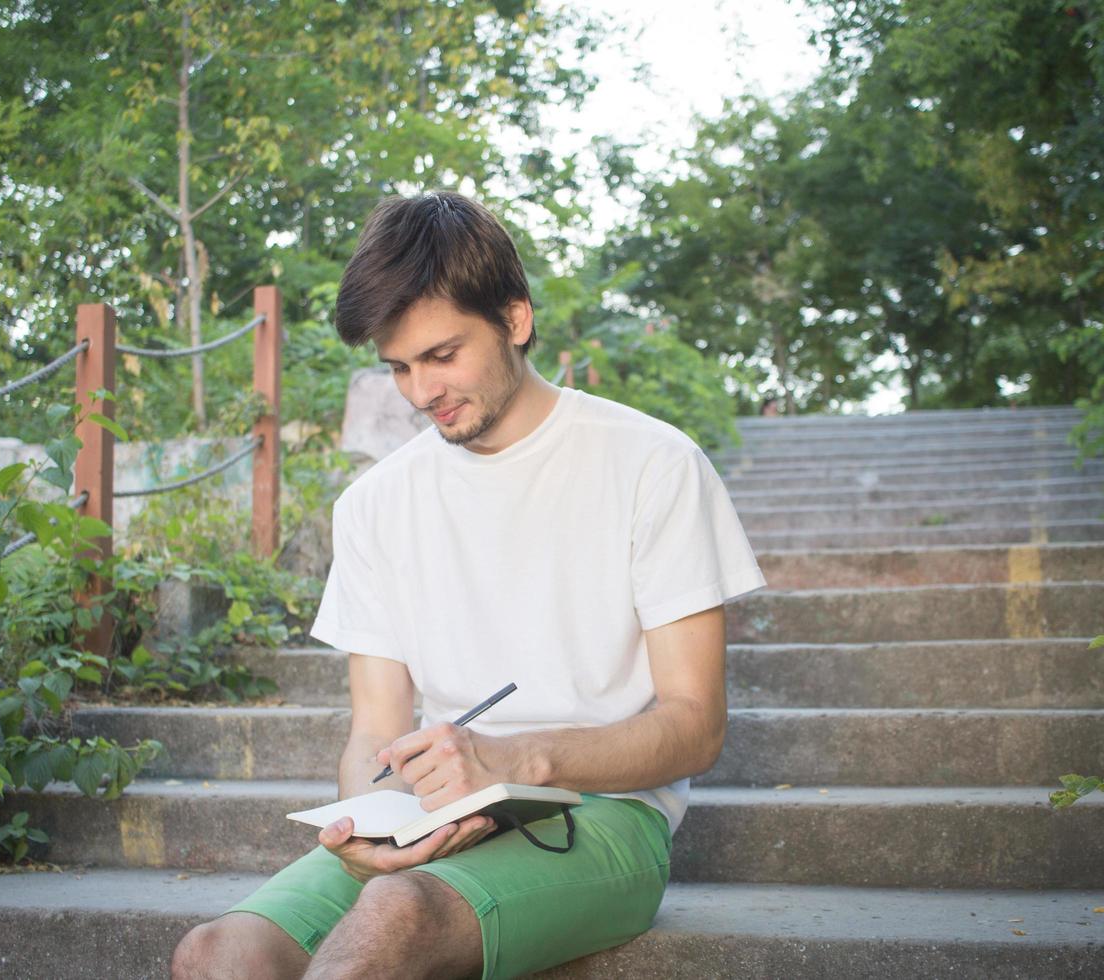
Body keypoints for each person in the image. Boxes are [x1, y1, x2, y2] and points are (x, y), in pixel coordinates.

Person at [170, 191, 764, 980]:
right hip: (439, 812)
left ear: (514, 319)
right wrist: (369, 826)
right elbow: (372, 736)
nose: (420, 393)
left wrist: (516, 761)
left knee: (397, 919)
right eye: (399, 368)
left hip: (608, 817)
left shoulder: (653, 465)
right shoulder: (375, 505)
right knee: (214, 955)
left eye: (443, 356)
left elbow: (696, 726)